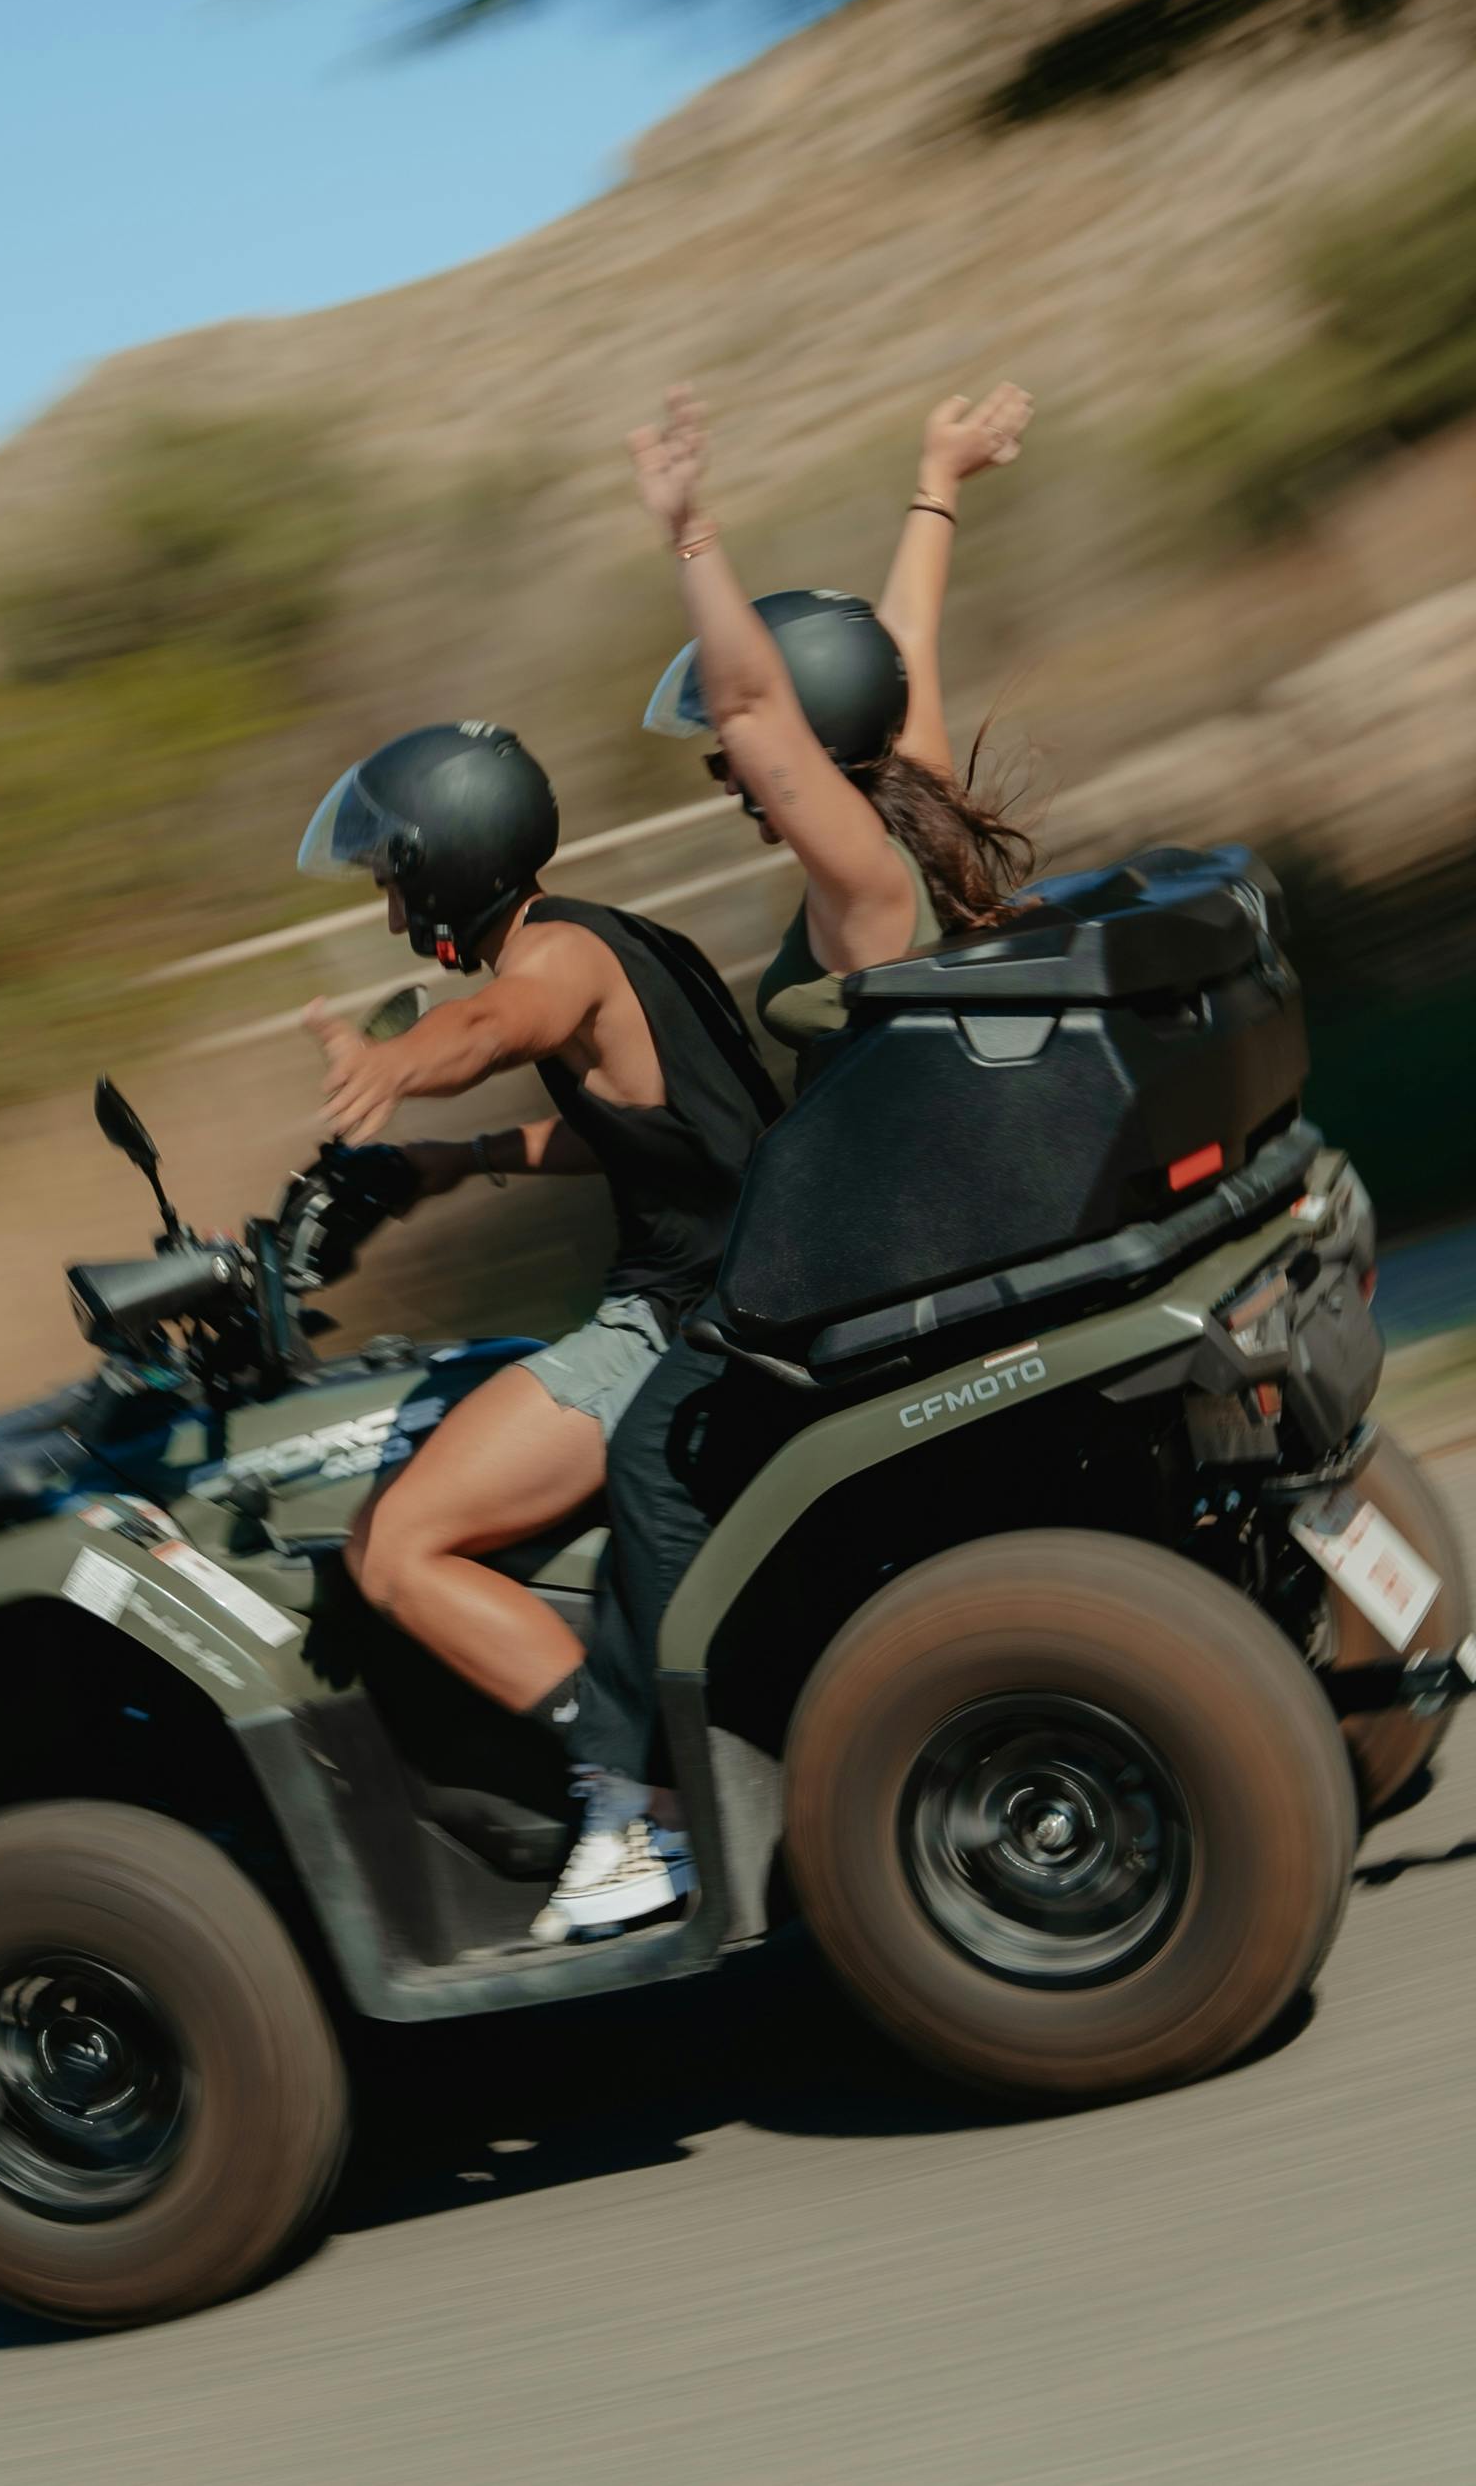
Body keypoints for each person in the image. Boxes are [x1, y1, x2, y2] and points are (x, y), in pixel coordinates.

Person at [532, 379, 1041, 1941]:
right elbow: (896, 663)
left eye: (749, 761)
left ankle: (642, 1816)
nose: (733, 780)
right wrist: (936, 484)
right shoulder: (923, 820)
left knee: (651, 1452)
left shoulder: (855, 884)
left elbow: (765, 708)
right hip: (951, 1220)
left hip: (863, 1262)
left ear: (808, 755)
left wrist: (691, 533)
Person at [295, 719, 780, 1930]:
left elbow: (492, 1026)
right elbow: (639, 1124)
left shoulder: (553, 959)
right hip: (736, 1284)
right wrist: (461, 1162)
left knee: (395, 1544)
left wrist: (396, 1063)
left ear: (450, 861)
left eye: (397, 880)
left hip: (679, 1320)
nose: (397, 914)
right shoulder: (623, 937)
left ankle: (636, 1811)